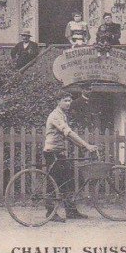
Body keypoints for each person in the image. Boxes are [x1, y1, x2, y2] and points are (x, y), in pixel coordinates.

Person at [43, 93, 98, 222]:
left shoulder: (62, 115)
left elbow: (67, 136)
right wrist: (86, 145)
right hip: (52, 152)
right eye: (65, 100)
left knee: (70, 180)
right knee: (55, 182)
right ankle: (50, 213)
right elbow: (68, 132)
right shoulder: (55, 115)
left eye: (69, 100)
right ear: (58, 101)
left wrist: (81, 147)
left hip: (60, 152)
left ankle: (71, 211)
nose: (68, 103)